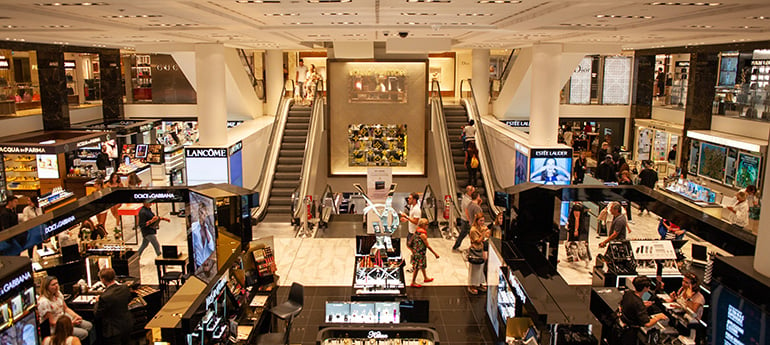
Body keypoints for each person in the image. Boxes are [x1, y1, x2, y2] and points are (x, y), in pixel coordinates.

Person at [38, 276, 93, 342]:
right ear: (47, 287)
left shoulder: (58, 294)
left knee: (88, 325)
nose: (56, 286)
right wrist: (71, 324)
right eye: (53, 285)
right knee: (83, 333)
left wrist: (76, 316)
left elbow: (66, 308)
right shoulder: (44, 302)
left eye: (57, 283)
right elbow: (52, 322)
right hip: (57, 327)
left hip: (65, 319)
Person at [620, 276, 668, 344]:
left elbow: (627, 304)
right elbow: (647, 323)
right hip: (630, 333)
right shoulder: (639, 303)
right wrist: (658, 317)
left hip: (622, 328)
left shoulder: (629, 293)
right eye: (648, 286)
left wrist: (642, 305)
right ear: (645, 288)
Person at [94, 268, 134, 345]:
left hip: (113, 330)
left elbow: (97, 314)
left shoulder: (104, 297)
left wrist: (97, 301)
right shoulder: (125, 288)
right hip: (127, 324)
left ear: (103, 280)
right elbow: (128, 300)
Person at [407, 218, 439, 288]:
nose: (428, 226)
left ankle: (425, 278)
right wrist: (435, 254)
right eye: (427, 224)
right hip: (420, 252)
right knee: (417, 267)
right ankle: (413, 282)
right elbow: (428, 246)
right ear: (424, 225)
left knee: (422, 265)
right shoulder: (423, 235)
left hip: (416, 250)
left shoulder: (417, 230)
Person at [468, 213, 490, 295]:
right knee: (474, 269)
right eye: (481, 221)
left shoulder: (481, 228)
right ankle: (472, 285)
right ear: (477, 221)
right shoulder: (473, 230)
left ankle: (479, 283)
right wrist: (483, 234)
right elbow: (478, 240)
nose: (482, 222)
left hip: (480, 250)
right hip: (475, 251)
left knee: (480, 269)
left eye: (483, 221)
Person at [399, 192, 421, 273]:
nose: (408, 199)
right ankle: (415, 263)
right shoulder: (412, 206)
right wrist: (406, 219)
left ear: (414, 200)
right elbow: (411, 219)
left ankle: (415, 266)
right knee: (409, 246)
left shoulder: (417, 210)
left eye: (410, 198)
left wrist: (406, 217)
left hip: (414, 233)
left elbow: (415, 221)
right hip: (410, 231)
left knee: (413, 249)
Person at [452, 185, 475, 252]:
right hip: (466, 220)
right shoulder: (467, 200)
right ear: (469, 191)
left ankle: (457, 245)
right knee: (467, 234)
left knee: (464, 234)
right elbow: (467, 211)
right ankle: (472, 247)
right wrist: (470, 220)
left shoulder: (467, 198)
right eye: (473, 191)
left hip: (465, 219)